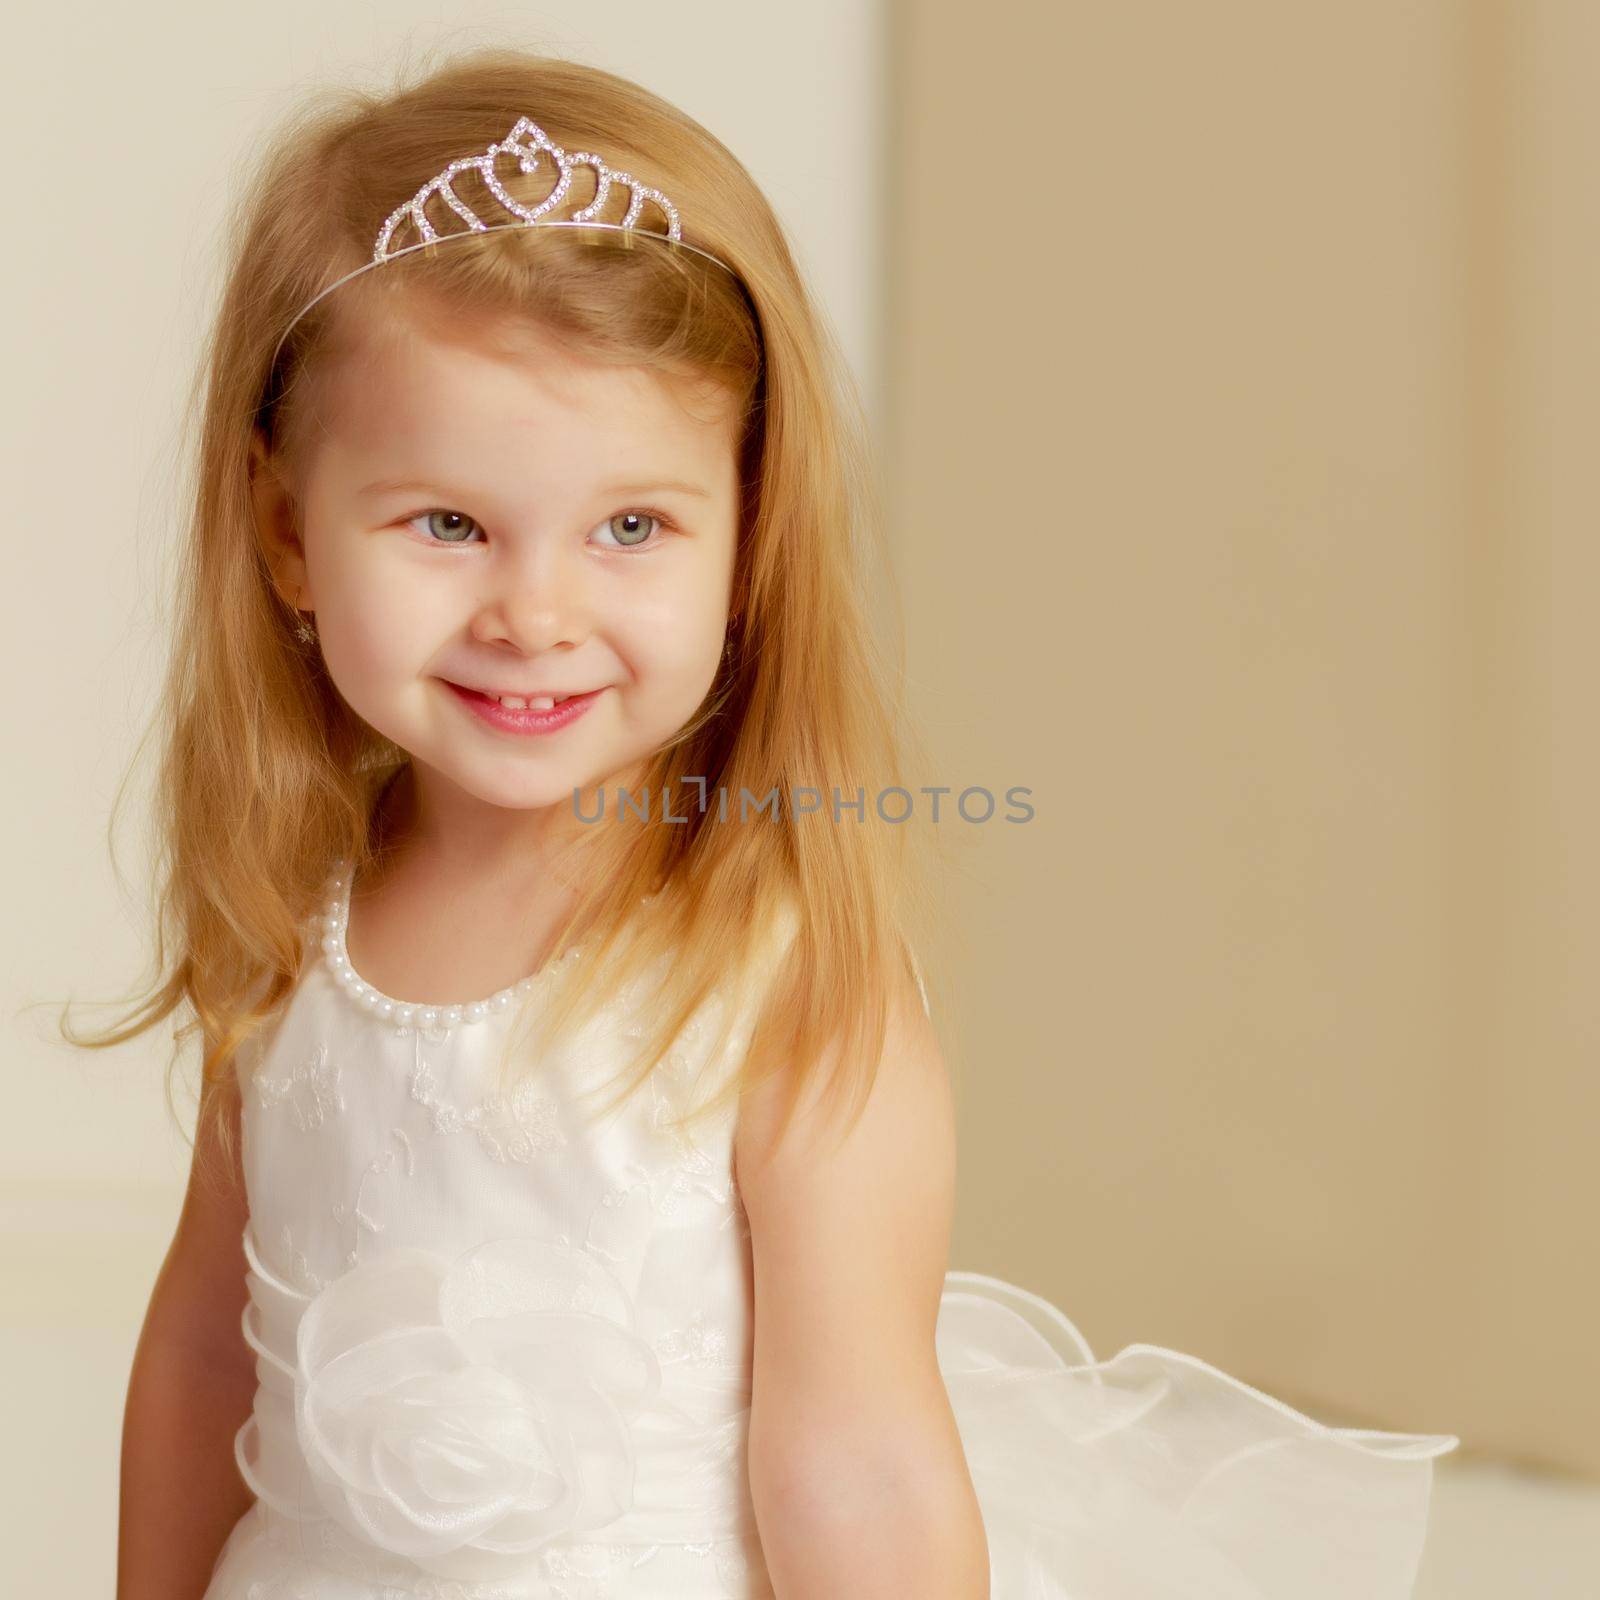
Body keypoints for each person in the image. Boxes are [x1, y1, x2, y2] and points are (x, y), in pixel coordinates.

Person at [86, 45, 1459, 1600]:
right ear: (287, 534)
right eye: (449, 524)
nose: (535, 613)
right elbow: (208, 1356)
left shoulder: (782, 985)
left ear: (748, 540)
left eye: (630, 527)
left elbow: (858, 1465)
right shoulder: (293, 917)